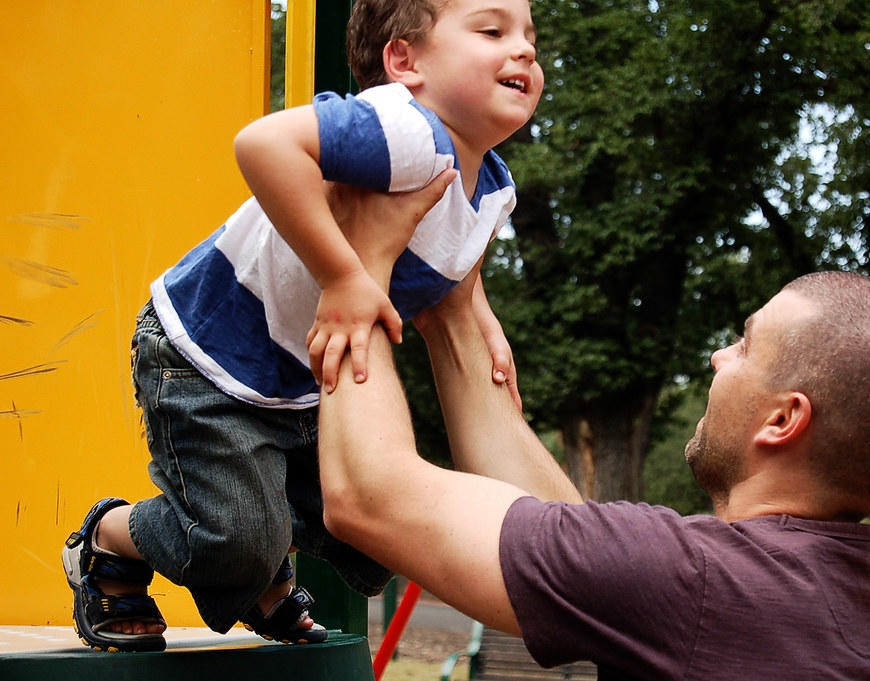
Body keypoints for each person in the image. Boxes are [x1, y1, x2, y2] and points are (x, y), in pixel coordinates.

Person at [314, 184, 870, 680]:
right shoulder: (838, 596)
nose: (719, 359)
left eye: (745, 345)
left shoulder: (703, 584)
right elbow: (568, 537)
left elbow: (368, 496)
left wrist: (360, 261)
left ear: (783, 419)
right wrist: (455, 309)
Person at [61, 0, 543, 652]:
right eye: (492, 31)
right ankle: (108, 538)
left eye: (529, 37)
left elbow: (460, 266)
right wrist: (344, 275)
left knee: (387, 539)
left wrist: (482, 318)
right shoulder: (402, 126)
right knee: (232, 538)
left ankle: (263, 560)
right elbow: (261, 144)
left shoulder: (492, 186)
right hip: (208, 356)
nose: (522, 50)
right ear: (404, 61)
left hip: (298, 380)